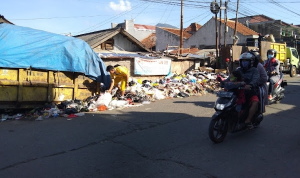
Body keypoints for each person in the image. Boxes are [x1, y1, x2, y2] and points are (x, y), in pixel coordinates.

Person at [224, 52, 260, 129]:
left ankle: (248, 120)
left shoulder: (254, 70)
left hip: (249, 91)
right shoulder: (238, 70)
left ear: (251, 62)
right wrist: (224, 82)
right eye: (242, 61)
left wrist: (250, 85)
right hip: (237, 90)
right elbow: (232, 78)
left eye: (246, 61)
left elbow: (255, 80)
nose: (244, 62)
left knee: (255, 102)